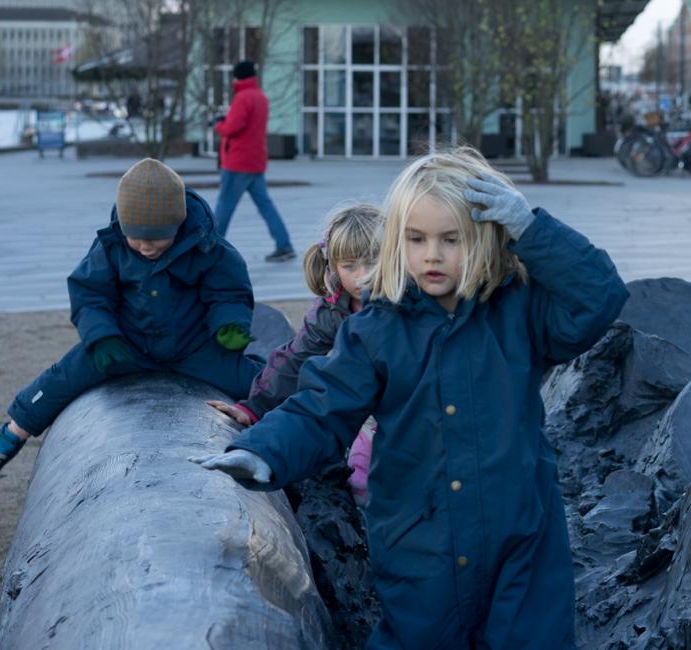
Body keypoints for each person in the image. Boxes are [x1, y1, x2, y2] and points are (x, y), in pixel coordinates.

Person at [191, 147, 629, 647]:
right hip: (421, 545)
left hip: (521, 539)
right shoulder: (376, 329)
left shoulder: (518, 313)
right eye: (416, 239)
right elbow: (322, 408)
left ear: (488, 238)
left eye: (451, 239)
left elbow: (600, 297)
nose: (432, 255)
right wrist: (263, 451)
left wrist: (531, 229)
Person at [0, 158, 264, 490]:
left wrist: (230, 326)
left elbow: (228, 294)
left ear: (178, 226)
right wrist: (101, 336)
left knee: (255, 381)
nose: (146, 246)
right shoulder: (111, 245)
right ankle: (10, 435)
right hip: (126, 343)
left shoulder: (209, 248)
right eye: (136, 238)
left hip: (192, 347)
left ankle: (295, 432)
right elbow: (90, 294)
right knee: (64, 375)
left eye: (158, 238)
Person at [206, 203, 383, 504]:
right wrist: (254, 407)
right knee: (362, 477)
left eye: (372, 263)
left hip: (414, 408)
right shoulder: (332, 311)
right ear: (333, 268)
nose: (363, 275)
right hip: (368, 406)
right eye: (350, 266)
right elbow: (295, 358)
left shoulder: (408, 304)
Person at [213, 60, 295, 262]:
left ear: (238, 76)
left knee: (224, 205)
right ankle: (284, 245)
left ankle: (210, 247)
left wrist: (218, 125)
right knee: (266, 206)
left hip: (237, 162)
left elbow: (233, 127)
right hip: (255, 161)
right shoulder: (260, 97)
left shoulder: (242, 98)